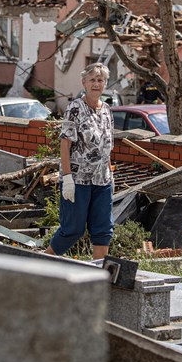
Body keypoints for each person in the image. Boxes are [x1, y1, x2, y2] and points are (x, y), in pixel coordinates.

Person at [46, 63, 115, 260]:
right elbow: (65, 144)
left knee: (103, 231)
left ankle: (98, 277)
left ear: (105, 84)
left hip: (102, 182)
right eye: (92, 79)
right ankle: (42, 264)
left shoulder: (107, 110)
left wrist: (111, 175)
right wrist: (67, 178)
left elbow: (107, 147)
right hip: (78, 181)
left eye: (100, 80)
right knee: (72, 229)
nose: (96, 84)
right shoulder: (75, 108)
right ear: (84, 82)